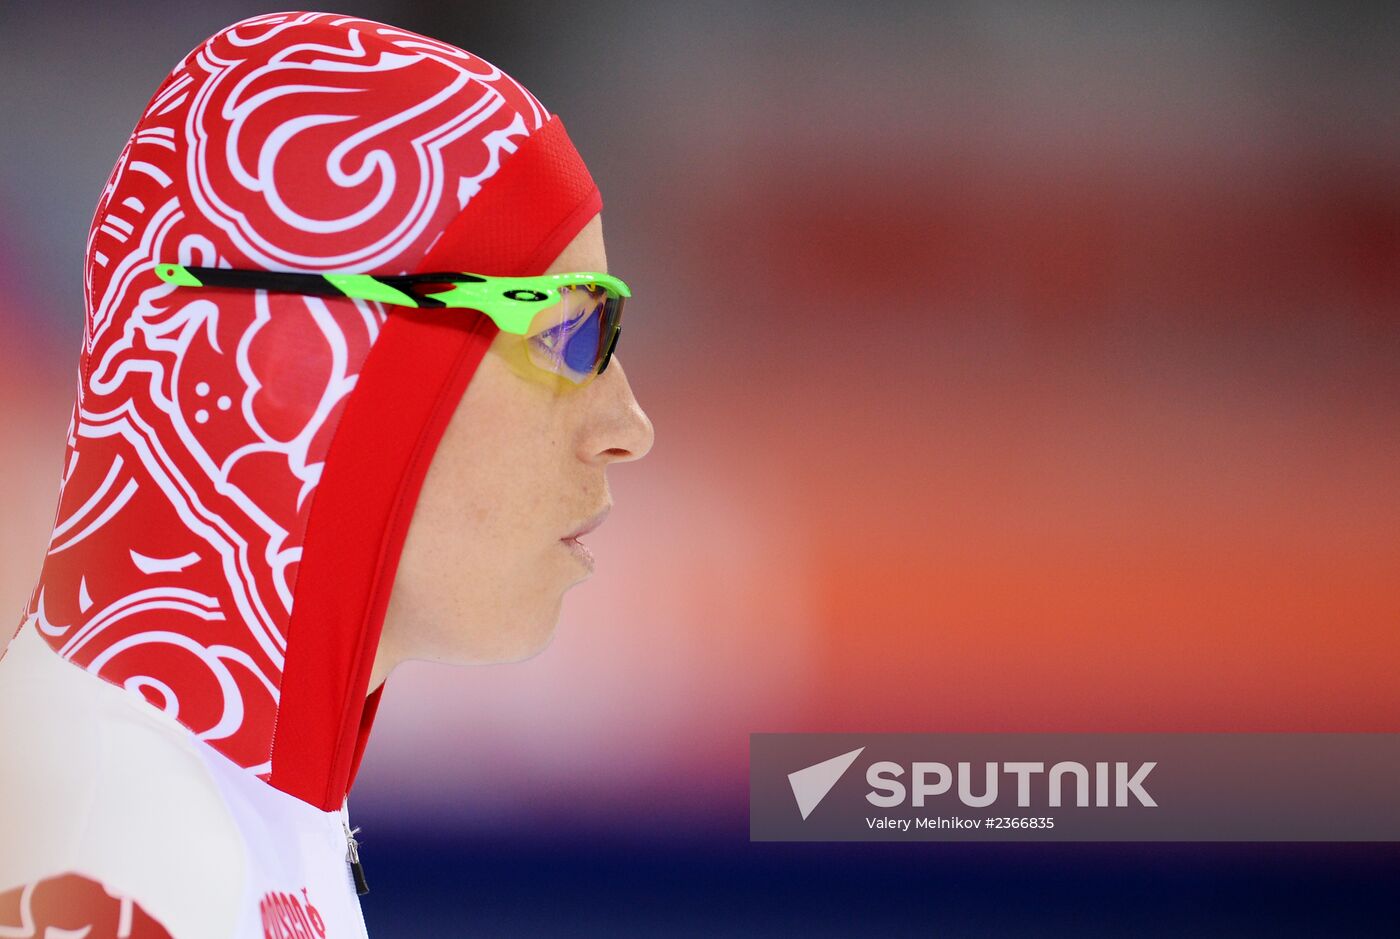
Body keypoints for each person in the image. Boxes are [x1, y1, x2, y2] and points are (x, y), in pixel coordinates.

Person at [0, 11, 653, 937]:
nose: (628, 428)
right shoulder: (107, 853)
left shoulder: (219, 820)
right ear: (307, 358)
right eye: (564, 328)